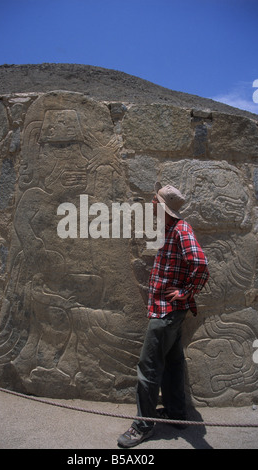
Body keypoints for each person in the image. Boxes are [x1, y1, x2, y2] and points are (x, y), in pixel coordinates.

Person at [117, 183, 209, 448]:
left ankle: (142, 426)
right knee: (173, 362)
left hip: (167, 313)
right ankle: (177, 413)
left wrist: (186, 293)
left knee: (149, 367)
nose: (152, 205)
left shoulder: (181, 229)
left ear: (164, 207)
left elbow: (200, 263)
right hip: (168, 312)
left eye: (155, 202)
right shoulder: (169, 229)